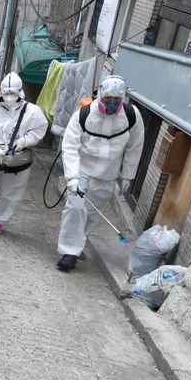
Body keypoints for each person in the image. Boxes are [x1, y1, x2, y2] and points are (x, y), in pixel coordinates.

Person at [56, 75, 144, 271]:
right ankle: (69, 252)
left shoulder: (131, 115)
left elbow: (135, 146)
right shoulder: (84, 114)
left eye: (117, 100)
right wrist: (72, 177)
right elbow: (70, 145)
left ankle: (78, 242)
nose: (112, 104)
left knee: (91, 214)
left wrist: (128, 175)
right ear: (100, 95)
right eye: (107, 100)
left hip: (108, 174)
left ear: (123, 99)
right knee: (76, 207)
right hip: (83, 170)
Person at [0, 72, 48, 234]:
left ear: (20, 92)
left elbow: (39, 130)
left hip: (16, 157)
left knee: (10, 191)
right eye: (6, 93)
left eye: (12, 93)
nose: (9, 96)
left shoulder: (33, 112)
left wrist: (23, 142)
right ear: (1, 92)